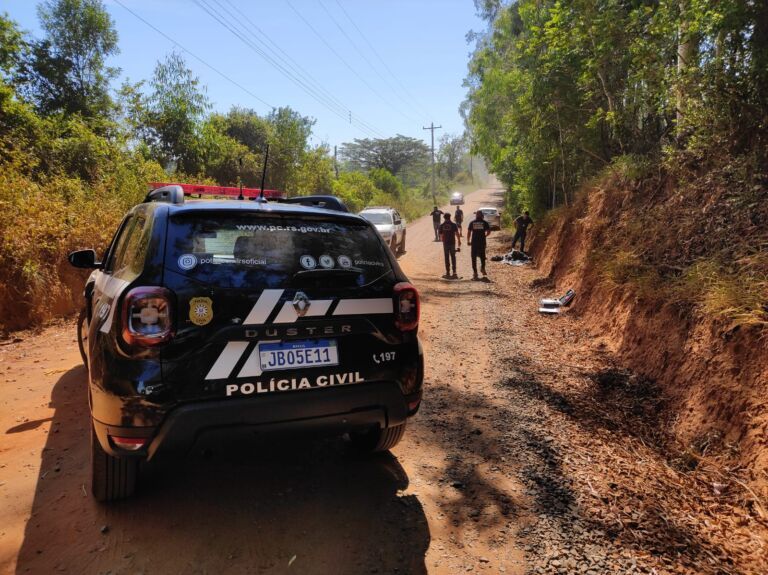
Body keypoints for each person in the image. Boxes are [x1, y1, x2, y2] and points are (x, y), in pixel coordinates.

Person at [467, 210, 491, 280]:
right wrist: (485, 236)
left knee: (473, 257)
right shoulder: (485, 223)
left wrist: (468, 241)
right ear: (482, 215)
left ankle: (475, 273)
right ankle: (483, 268)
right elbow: (489, 231)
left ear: (476, 215)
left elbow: (469, 232)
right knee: (482, 256)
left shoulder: (472, 222)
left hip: (474, 243)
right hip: (482, 242)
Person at [438, 212, 460, 279]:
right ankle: (454, 272)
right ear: (450, 217)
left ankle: (447, 272)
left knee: (446, 257)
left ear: (444, 218)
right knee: (453, 257)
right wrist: (459, 240)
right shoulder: (453, 225)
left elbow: (441, 235)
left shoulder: (442, 225)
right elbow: (457, 233)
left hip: (446, 243)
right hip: (452, 242)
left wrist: (443, 240)